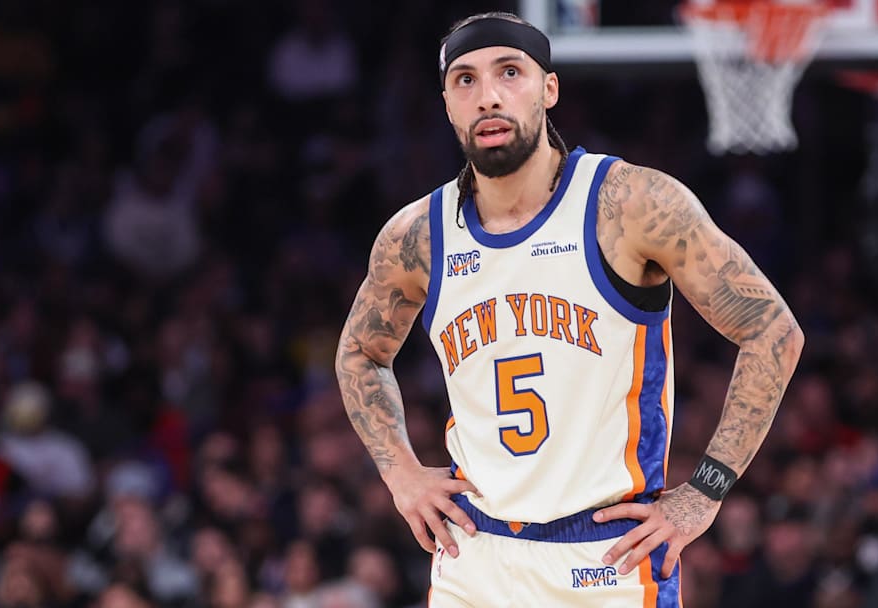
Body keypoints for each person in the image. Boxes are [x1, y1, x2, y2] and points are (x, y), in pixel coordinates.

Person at [335, 11, 803, 606]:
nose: (488, 97)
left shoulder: (630, 204)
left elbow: (772, 330)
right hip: (475, 558)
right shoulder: (417, 236)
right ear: (448, 103)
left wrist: (704, 492)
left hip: (606, 557)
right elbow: (359, 353)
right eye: (466, 80)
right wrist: (399, 473)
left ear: (549, 89)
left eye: (510, 72)